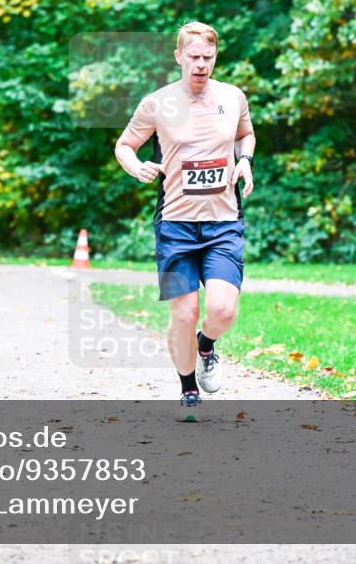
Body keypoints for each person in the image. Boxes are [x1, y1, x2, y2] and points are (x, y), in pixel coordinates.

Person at [114, 22, 255, 422]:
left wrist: (244, 161)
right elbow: (125, 144)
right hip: (175, 226)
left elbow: (246, 135)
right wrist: (136, 166)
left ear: (215, 58)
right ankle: (188, 388)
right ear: (179, 56)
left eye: (208, 57)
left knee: (224, 310)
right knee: (183, 312)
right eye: (193, 57)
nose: (201, 64)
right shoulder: (157, 103)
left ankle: (206, 346)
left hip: (223, 222)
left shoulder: (233, 97)